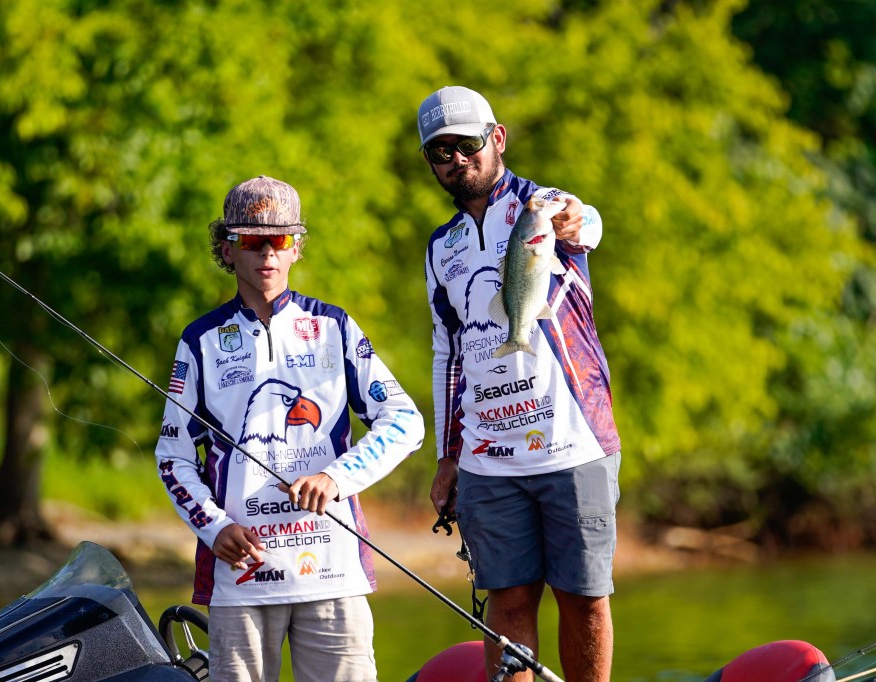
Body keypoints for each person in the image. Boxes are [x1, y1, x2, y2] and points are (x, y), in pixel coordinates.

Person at [154, 175, 424, 682]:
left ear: (296, 247)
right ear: (226, 249)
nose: (267, 253)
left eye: (279, 239)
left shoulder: (334, 327)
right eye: (251, 240)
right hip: (241, 577)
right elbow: (173, 457)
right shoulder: (200, 341)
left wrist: (336, 479)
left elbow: (405, 421)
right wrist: (214, 527)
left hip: (332, 573)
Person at [417, 86, 622, 682]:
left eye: (468, 144)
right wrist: (447, 456)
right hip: (487, 457)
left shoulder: (545, 206)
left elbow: (586, 224)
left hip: (572, 443)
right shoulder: (441, 247)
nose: (457, 159)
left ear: (498, 138)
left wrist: (578, 219)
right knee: (506, 607)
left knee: (584, 600)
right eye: (441, 152)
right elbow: (447, 353)